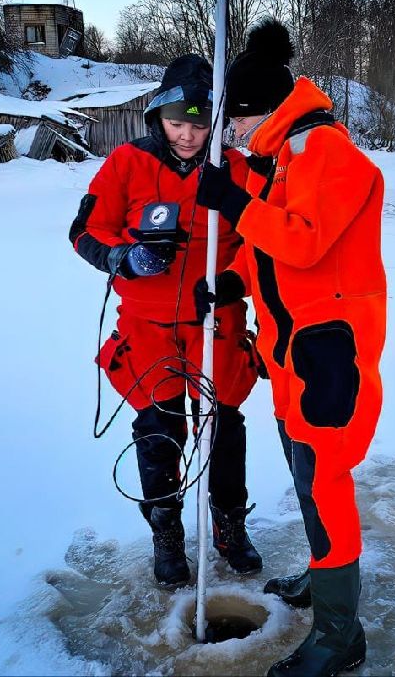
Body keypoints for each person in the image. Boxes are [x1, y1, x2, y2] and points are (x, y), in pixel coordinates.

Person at [195, 19, 386, 677]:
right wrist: (231, 279)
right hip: (291, 357)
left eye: (235, 122)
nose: (231, 134)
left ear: (262, 112)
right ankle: (322, 574)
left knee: (325, 483)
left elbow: (302, 240)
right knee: (307, 479)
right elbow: (271, 254)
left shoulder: (326, 151)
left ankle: (340, 634)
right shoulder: (284, 159)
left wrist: (234, 201)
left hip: (328, 357)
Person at [68, 53, 262, 589]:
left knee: (223, 427)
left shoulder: (236, 169)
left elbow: (261, 242)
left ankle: (229, 525)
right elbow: (85, 231)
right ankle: (167, 533)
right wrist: (121, 257)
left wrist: (233, 281)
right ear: (158, 116)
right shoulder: (126, 162)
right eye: (177, 123)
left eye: (198, 125)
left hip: (215, 319)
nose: (187, 135)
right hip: (147, 325)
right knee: (159, 429)